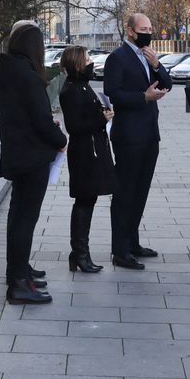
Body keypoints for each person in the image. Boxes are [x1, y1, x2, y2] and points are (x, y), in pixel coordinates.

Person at [0, 20, 67, 305]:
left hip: (19, 152)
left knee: (18, 217)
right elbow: (40, 119)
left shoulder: (10, 71)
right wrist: (60, 138)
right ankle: (18, 284)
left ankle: (19, 271)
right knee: (25, 220)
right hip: (31, 156)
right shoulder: (28, 77)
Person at [103, 12, 171, 270]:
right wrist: (143, 98)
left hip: (149, 134)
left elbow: (167, 85)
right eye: (143, 28)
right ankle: (119, 250)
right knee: (125, 192)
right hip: (128, 135)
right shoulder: (117, 58)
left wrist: (157, 66)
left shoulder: (149, 55)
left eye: (150, 27)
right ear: (130, 31)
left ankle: (132, 242)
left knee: (140, 191)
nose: (148, 32)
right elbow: (112, 93)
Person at [58, 46, 116, 274]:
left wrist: (102, 113)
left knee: (88, 200)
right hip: (84, 153)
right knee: (84, 201)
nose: (92, 62)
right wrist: (101, 118)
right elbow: (74, 126)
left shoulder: (82, 85)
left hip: (93, 150)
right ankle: (80, 253)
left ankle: (79, 254)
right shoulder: (71, 89)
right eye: (87, 59)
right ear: (77, 64)